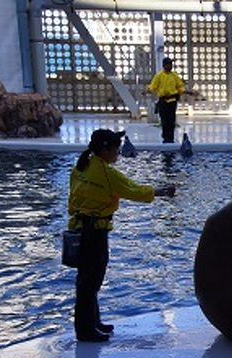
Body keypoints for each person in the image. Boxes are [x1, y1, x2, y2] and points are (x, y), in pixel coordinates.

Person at [68, 129, 176, 342]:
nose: (118, 152)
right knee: (91, 282)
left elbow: (72, 198)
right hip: (95, 233)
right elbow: (133, 190)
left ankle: (92, 322)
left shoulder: (82, 166)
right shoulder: (106, 174)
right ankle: (85, 330)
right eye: (116, 148)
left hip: (79, 229)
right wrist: (162, 191)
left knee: (85, 280)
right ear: (105, 149)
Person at [147, 57, 185, 143]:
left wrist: (185, 91)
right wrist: (148, 90)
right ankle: (165, 137)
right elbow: (153, 86)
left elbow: (180, 86)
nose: (169, 66)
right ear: (164, 65)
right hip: (163, 101)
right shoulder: (159, 76)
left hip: (172, 100)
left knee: (171, 120)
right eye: (168, 64)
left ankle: (170, 137)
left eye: (170, 64)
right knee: (164, 119)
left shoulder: (174, 76)